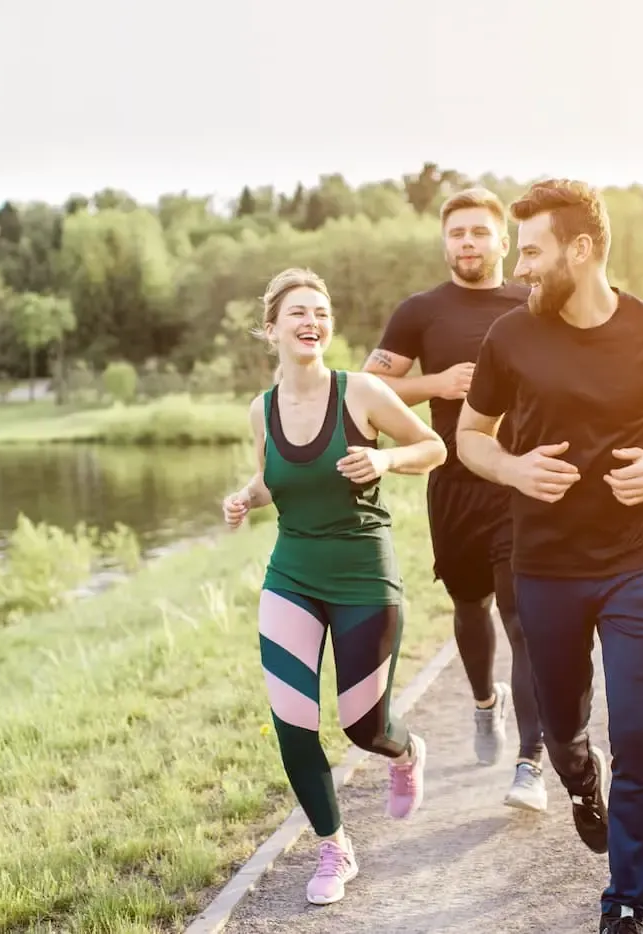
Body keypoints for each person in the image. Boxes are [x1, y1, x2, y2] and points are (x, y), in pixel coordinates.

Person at [456, 178, 643, 934]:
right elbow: (471, 435)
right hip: (545, 567)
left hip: (639, 561)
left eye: (532, 251)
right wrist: (512, 467)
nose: (521, 267)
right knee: (568, 727)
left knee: (638, 734)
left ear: (582, 248)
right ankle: (576, 775)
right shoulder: (509, 337)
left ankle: (625, 903)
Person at [222, 267, 448, 906]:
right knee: (293, 721)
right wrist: (246, 496)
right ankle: (334, 847)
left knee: (361, 724)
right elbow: (276, 478)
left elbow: (433, 447)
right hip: (291, 574)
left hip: (363, 578)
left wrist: (384, 459)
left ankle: (405, 752)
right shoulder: (260, 410)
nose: (310, 322)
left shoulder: (364, 392)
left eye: (319, 311)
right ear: (271, 329)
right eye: (296, 312)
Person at [364, 186, 547, 811]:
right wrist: (435, 383)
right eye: (456, 233)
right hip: (453, 485)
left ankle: (532, 764)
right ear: (446, 243)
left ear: (502, 241)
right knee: (471, 607)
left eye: (478, 232)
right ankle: (483, 703)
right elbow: (369, 388)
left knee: (524, 619)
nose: (467, 243)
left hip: (518, 482)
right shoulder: (420, 311)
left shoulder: (533, 299)